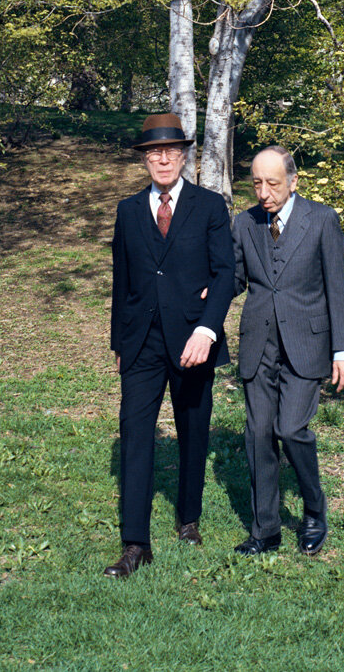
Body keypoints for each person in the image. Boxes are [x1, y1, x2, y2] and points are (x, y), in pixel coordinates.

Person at [105, 113, 234, 578]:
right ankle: (136, 543)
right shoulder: (127, 210)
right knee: (135, 435)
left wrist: (207, 329)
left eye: (171, 151)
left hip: (193, 340)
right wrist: (119, 339)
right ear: (144, 160)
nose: (162, 158)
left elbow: (225, 274)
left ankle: (189, 518)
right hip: (141, 343)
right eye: (153, 152)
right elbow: (123, 280)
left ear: (184, 156)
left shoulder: (210, 206)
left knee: (193, 431)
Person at [232, 145, 344, 556]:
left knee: (290, 430)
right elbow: (232, 279)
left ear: (294, 181)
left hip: (307, 345)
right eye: (257, 184)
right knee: (259, 435)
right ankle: (265, 531)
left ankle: (314, 511)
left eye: (273, 183)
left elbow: (339, 288)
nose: (264, 193)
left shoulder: (322, 220)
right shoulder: (244, 223)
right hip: (258, 345)